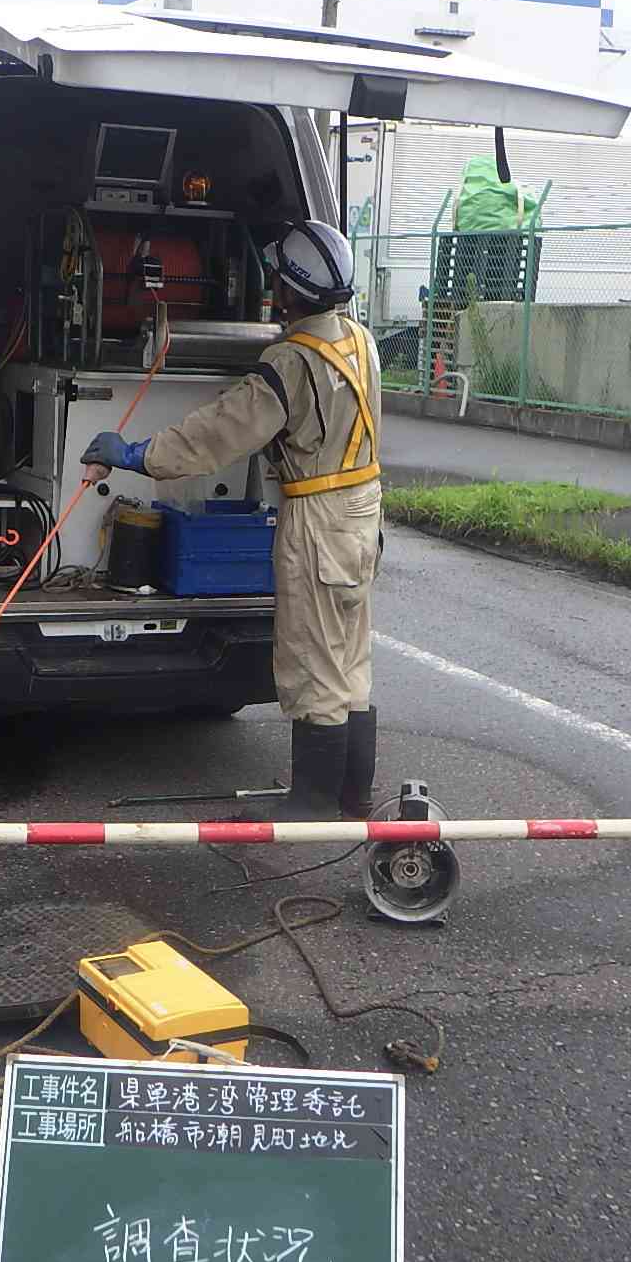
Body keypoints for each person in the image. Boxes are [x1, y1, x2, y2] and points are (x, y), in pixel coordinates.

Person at [81, 220, 380, 821]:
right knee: (349, 655)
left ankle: (313, 805)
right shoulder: (359, 341)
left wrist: (137, 455)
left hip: (318, 515)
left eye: (278, 281)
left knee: (310, 659)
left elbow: (218, 432)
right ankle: (351, 793)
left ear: (293, 290)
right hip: (360, 509)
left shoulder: (292, 363)